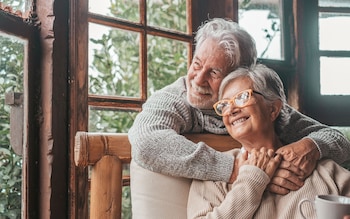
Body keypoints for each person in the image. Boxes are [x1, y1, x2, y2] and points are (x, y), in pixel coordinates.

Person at [128, 17, 350, 194]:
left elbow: (336, 139)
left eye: (213, 72)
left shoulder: (261, 107)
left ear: (236, 78)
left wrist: (311, 146)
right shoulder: (175, 98)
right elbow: (146, 142)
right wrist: (239, 169)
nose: (197, 79)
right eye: (197, 64)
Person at [187, 64, 350, 218]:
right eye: (224, 105)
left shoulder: (326, 171)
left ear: (273, 109)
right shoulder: (213, 176)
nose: (232, 110)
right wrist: (252, 180)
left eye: (242, 97)